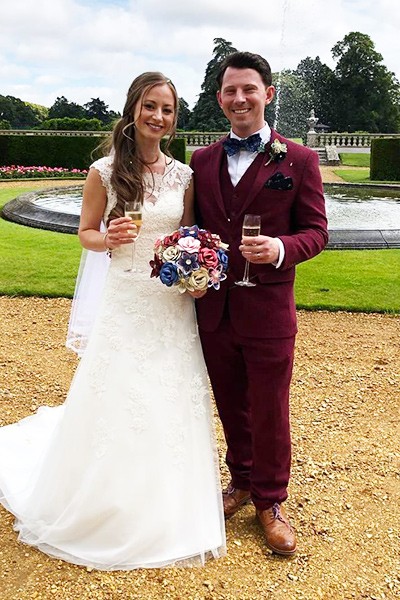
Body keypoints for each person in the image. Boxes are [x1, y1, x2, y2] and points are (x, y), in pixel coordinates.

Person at [0, 72, 226, 570]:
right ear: (133, 109)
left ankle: (167, 503)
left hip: (170, 303)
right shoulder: (103, 171)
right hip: (126, 298)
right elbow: (84, 233)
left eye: (167, 109)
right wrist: (109, 239)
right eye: (150, 106)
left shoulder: (184, 176)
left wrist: (197, 267)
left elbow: (187, 234)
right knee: (119, 391)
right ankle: (104, 502)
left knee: (170, 394)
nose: (158, 117)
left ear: (174, 118)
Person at [190, 52, 328, 556]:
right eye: (230, 90)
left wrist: (281, 249)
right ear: (220, 98)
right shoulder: (201, 160)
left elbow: (316, 231)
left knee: (270, 408)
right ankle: (242, 482)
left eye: (249, 89)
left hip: (269, 310)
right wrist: (187, 266)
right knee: (230, 403)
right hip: (215, 309)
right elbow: (194, 228)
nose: (239, 98)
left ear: (268, 94)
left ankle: (271, 501)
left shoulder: (298, 159)